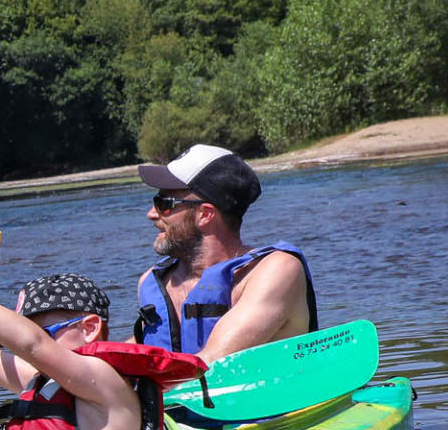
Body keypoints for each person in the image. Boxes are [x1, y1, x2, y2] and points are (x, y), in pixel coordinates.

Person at [0, 243, 203, 430]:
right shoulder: (45, 378)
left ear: (90, 328)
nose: (24, 345)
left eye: (46, 332)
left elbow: (32, 345)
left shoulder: (102, 379)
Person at [134, 144, 317, 361]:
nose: (150, 214)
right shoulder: (153, 281)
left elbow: (211, 362)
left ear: (205, 214)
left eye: (164, 204)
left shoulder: (275, 271)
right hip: (175, 392)